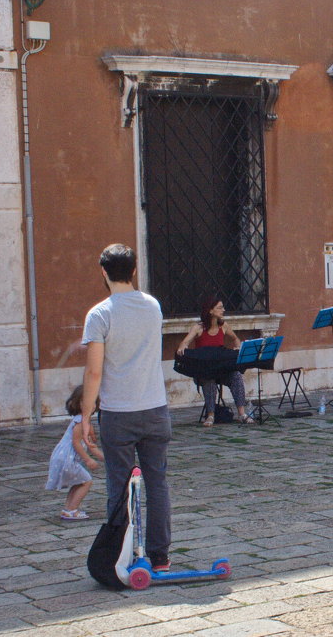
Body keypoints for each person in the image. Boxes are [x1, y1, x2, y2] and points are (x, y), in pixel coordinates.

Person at [80, 244, 173, 573]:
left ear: (103, 272)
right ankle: (160, 556)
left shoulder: (100, 314)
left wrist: (85, 415)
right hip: (155, 408)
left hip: (118, 412)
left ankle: (122, 554)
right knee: (157, 483)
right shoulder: (153, 307)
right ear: (134, 270)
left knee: (118, 485)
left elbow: (94, 372)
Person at [176, 295, 252, 426]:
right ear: (211, 311)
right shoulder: (199, 328)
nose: (223, 310)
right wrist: (183, 346)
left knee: (236, 375)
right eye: (220, 308)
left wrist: (238, 347)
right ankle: (210, 415)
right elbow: (185, 342)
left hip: (221, 370)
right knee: (208, 378)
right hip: (204, 371)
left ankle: (242, 413)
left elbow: (235, 339)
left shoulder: (224, 326)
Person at [46, 384, 104, 520]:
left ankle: (68, 509)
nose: (93, 406)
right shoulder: (79, 422)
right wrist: (88, 459)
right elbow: (76, 443)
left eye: (94, 402)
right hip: (66, 458)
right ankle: (72, 509)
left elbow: (91, 445)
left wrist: (104, 457)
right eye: (88, 402)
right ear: (78, 404)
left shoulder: (86, 422)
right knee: (87, 481)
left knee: (79, 482)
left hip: (66, 458)